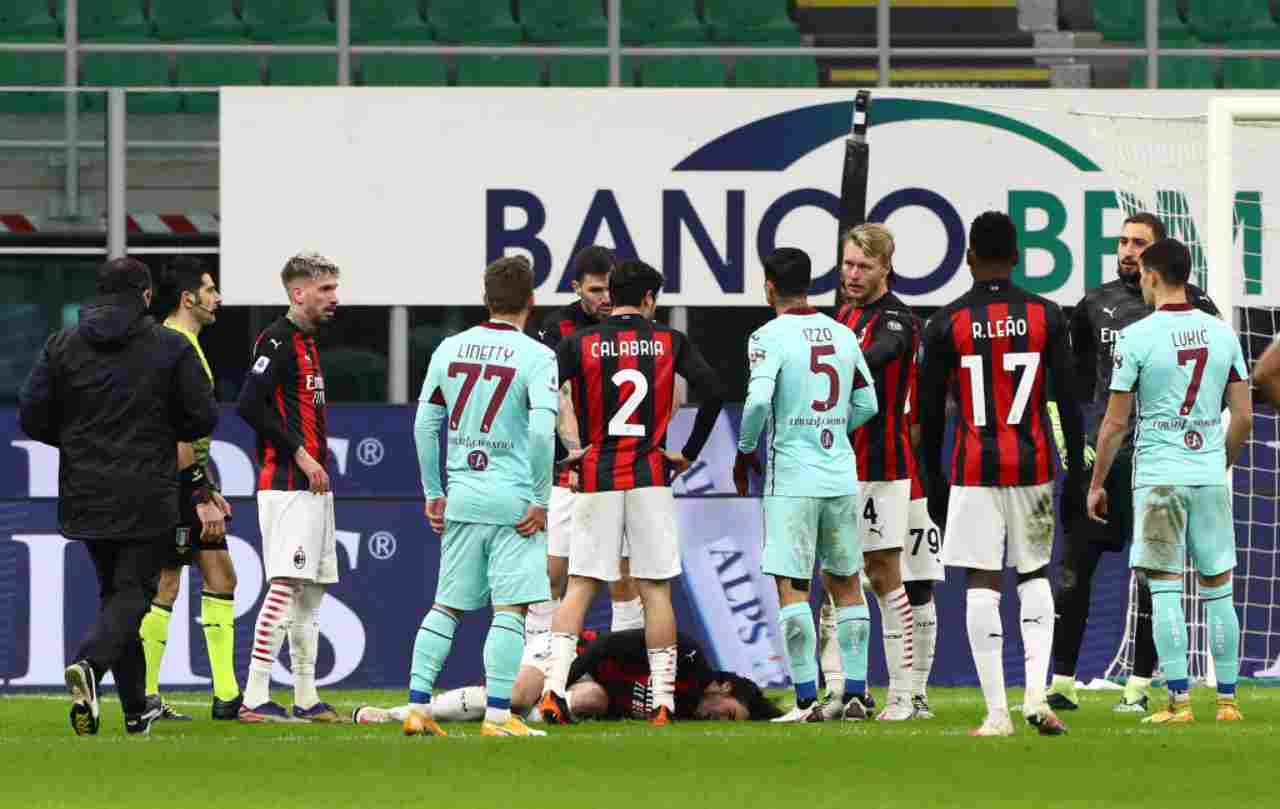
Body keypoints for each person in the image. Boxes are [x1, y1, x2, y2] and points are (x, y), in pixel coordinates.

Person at [19, 257, 217, 736]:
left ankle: (135, 710)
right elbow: (201, 418)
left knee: (116, 594)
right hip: (147, 489)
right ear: (146, 296)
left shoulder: (62, 344)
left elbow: (32, 414)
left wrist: (76, 439)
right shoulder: (169, 347)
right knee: (135, 593)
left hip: (84, 489)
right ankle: (89, 665)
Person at [918, 211, 1085, 737]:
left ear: (968, 258)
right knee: (1034, 573)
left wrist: (935, 482)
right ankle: (1036, 694)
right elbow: (1070, 401)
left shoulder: (945, 321)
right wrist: (1076, 470)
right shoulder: (1046, 314)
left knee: (982, 581)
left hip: (973, 467)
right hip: (1034, 465)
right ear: (1016, 258)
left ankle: (996, 715)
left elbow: (925, 415)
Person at [538, 259, 726, 726]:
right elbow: (714, 390)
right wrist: (688, 452)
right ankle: (663, 702)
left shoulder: (578, 342)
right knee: (655, 590)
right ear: (649, 300)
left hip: (598, 474)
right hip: (651, 474)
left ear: (612, 294)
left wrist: (564, 453)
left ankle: (552, 691)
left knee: (580, 585)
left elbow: (539, 395)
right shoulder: (668, 341)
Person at [1048, 212, 1220, 714]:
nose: (1127, 251)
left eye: (1138, 243)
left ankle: (1138, 686)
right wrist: (1071, 443)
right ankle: (1062, 681)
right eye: (1122, 241)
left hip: (1159, 459)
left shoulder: (1197, 309)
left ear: (1159, 253)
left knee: (1152, 573)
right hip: (1103, 458)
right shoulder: (1093, 305)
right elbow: (1069, 384)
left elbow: (1219, 384)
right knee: (1077, 569)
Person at [1087, 238, 1251, 724]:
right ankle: (1227, 701)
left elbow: (1115, 423)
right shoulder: (1222, 333)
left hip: (1159, 475)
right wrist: (1218, 463)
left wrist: (1096, 482)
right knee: (1219, 586)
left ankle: (1178, 700)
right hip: (1206, 475)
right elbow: (1242, 416)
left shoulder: (1137, 336)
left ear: (1153, 276)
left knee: (1164, 589)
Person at [403, 255, 557, 739]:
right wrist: (539, 496)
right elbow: (541, 432)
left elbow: (425, 424)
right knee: (509, 610)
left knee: (445, 605)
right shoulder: (537, 356)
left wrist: (434, 490)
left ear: (485, 298)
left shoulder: (450, 348)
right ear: (531, 301)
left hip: (464, 496)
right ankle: (496, 717)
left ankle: (416, 707)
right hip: (514, 504)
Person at [734, 247, 879, 723]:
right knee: (845, 582)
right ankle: (855, 693)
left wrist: (745, 448)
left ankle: (803, 701)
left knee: (792, 588)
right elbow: (869, 402)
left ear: (769, 286)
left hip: (792, 478)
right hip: (838, 472)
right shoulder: (843, 333)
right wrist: (834, 429)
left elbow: (756, 403)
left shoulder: (767, 336)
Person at [523, 246, 644, 683]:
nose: (605, 298)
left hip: (623, 469)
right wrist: (575, 453)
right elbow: (559, 395)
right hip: (571, 473)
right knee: (553, 572)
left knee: (624, 574)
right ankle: (540, 670)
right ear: (576, 288)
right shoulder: (558, 328)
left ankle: (627, 675)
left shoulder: (635, 327)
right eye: (595, 290)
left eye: (610, 288)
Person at [236, 251, 340, 723]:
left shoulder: (309, 342)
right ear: (298, 293)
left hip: (313, 488)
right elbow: (249, 405)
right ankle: (255, 695)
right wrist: (300, 453)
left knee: (311, 593)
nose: (334, 298)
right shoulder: (275, 341)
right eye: (325, 290)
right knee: (286, 584)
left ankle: (304, 695)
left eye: (334, 288)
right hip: (286, 484)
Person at [138, 258, 241, 721]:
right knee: (167, 581)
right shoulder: (174, 346)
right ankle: (146, 695)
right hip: (175, 484)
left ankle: (226, 698)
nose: (217, 297)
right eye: (210, 289)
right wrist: (197, 492)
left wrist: (208, 485)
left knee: (220, 576)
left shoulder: (181, 344)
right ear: (188, 299)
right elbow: (176, 427)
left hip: (188, 481)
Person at [826, 223, 918, 722]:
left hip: (882, 463)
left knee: (884, 575)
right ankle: (841, 689)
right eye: (847, 264)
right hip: (839, 462)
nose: (853, 274)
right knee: (835, 575)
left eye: (864, 265)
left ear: (886, 267)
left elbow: (873, 358)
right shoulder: (843, 314)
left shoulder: (897, 320)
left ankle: (903, 694)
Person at [355, 630, 782, 724]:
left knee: (593, 702)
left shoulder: (682, 712)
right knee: (519, 696)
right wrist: (556, 686)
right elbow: (604, 648)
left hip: (584, 690)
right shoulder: (685, 660)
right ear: (724, 687)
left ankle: (532, 719)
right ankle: (399, 714)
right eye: (728, 714)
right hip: (570, 651)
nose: (718, 721)